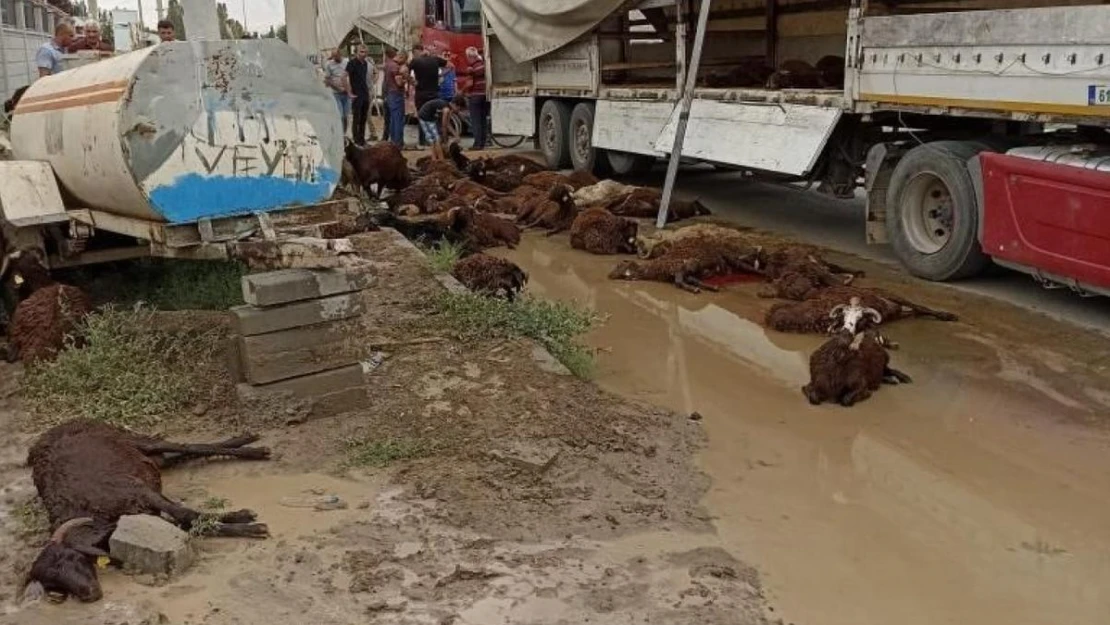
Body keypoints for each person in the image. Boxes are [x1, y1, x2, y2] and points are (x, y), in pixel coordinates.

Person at [409, 44, 449, 146]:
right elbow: (451, 66)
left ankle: (423, 141)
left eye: (414, 53)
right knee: (433, 116)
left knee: (422, 116)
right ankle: (434, 140)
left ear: (418, 51)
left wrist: (412, 81)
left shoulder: (415, 61)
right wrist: (441, 75)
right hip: (434, 93)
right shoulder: (435, 59)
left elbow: (404, 71)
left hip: (421, 93)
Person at [417, 95, 466, 160]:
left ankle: (436, 158)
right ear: (455, 105)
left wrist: (456, 135)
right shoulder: (446, 109)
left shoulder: (448, 108)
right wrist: (445, 140)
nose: (458, 111)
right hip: (425, 116)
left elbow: (448, 124)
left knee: (435, 139)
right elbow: (444, 126)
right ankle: (440, 159)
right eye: (458, 109)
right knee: (435, 139)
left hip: (430, 116)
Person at [460, 47, 489, 150]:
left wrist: (461, 92)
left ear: (469, 56)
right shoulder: (484, 65)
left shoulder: (471, 68)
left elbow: (469, 83)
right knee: (483, 120)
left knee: (476, 120)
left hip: (475, 96)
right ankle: (483, 142)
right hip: (485, 95)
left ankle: (477, 144)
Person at [346, 44, 375, 145]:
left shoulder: (366, 64)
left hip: (365, 93)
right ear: (356, 52)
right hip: (356, 94)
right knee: (356, 118)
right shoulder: (352, 63)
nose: (363, 54)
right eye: (361, 52)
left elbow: (371, 76)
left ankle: (362, 140)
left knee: (363, 118)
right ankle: (356, 140)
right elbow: (344, 77)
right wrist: (349, 92)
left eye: (365, 52)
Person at [382, 49, 408, 146]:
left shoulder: (388, 64)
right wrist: (405, 79)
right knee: (398, 119)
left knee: (393, 119)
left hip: (389, 94)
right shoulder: (396, 67)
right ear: (401, 57)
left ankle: (393, 141)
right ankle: (398, 143)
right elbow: (399, 82)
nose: (405, 62)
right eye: (405, 60)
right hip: (396, 94)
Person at [324, 48, 352, 134]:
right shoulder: (329, 64)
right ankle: (338, 133)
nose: (335, 58)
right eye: (333, 57)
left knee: (345, 116)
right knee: (340, 115)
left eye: (336, 56)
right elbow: (327, 80)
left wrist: (349, 89)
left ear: (340, 54)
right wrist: (337, 88)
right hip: (336, 93)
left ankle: (344, 133)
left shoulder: (347, 62)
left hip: (346, 93)